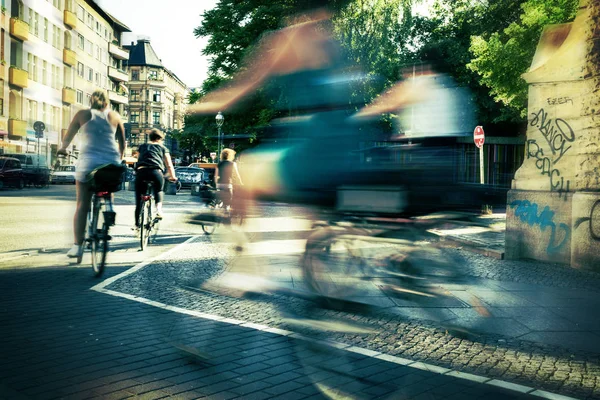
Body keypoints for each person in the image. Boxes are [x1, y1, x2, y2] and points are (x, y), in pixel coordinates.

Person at [57, 89, 126, 258]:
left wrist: (63, 148)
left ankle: (77, 246)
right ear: (108, 102)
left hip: (89, 163)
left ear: (91, 100)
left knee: (82, 205)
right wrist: (120, 158)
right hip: (110, 162)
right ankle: (109, 206)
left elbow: (69, 135)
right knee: (108, 183)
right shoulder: (115, 116)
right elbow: (123, 142)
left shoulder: (82, 114)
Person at [134, 128, 177, 229]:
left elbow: (138, 160)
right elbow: (169, 165)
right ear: (160, 139)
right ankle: (158, 210)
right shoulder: (163, 148)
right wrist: (173, 176)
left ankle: (136, 225)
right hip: (156, 172)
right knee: (158, 190)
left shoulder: (142, 146)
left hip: (142, 172)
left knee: (139, 199)